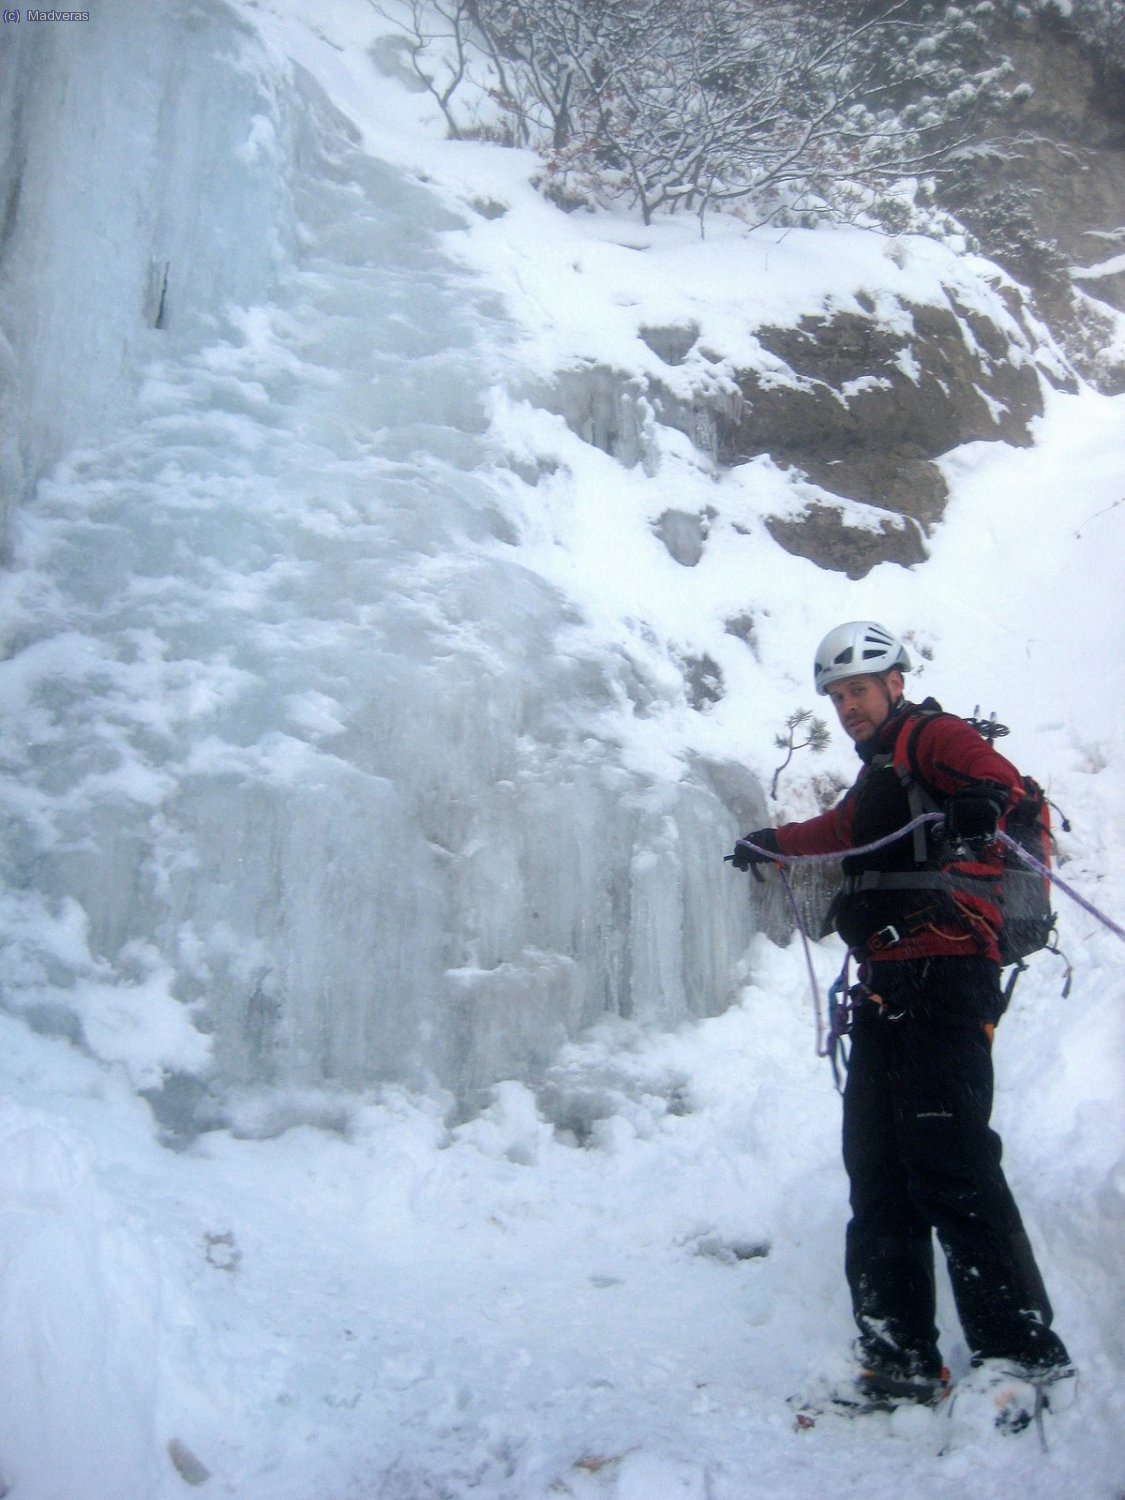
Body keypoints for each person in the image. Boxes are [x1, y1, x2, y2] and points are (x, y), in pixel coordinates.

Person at [729, 620, 1072, 1409]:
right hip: (887, 985)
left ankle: (1022, 1353)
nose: (847, 705)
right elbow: (841, 832)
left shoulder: (932, 736)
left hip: (944, 976)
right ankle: (898, 1355)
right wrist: (773, 842)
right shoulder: (882, 771)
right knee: (878, 1170)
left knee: (950, 1161)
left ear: (894, 684)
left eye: (858, 689)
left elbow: (995, 778)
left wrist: (981, 803)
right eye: (837, 696)